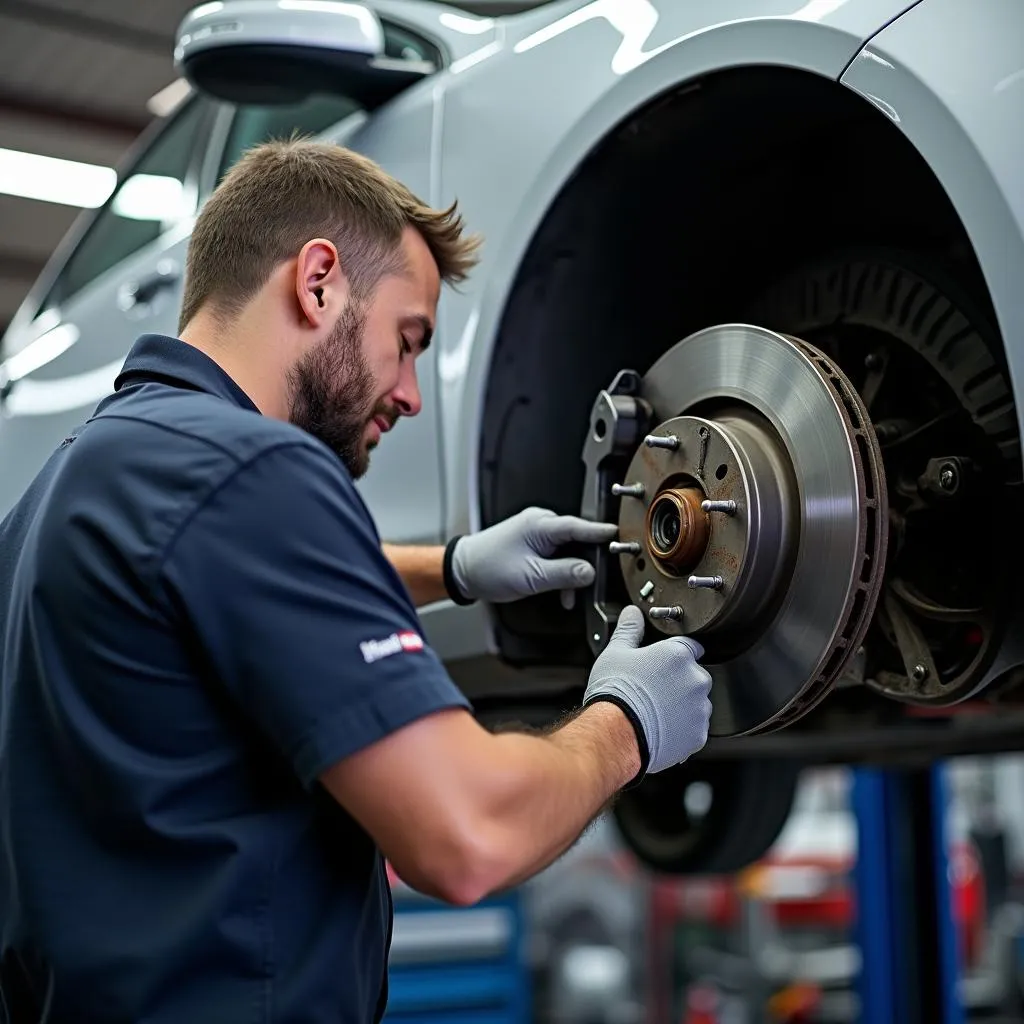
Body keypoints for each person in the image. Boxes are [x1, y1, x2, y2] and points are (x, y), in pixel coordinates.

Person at [0, 139, 713, 1024]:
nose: (410, 394)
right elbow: (467, 837)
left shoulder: (66, 492)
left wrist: (454, 569)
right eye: (406, 341)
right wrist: (628, 726)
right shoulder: (253, 470)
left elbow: (208, 588)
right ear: (320, 282)